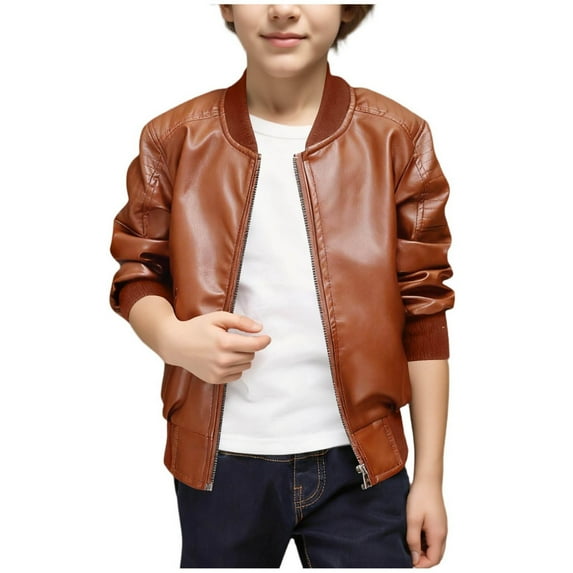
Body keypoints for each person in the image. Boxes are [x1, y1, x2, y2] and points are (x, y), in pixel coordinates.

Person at [109, 3, 454, 568]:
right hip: (220, 461)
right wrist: (173, 339)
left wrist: (430, 481)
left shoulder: (397, 137)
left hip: (365, 463)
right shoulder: (173, 139)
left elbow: (425, 312)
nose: (284, 9)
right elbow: (138, 273)